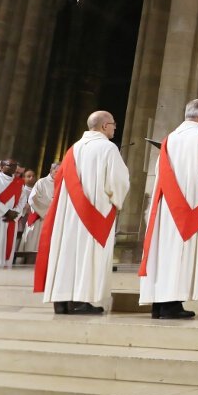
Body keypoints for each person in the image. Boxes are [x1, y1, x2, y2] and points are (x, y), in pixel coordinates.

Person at [34, 111, 130, 314]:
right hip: (94, 212)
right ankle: (81, 301)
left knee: (67, 254)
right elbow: (119, 182)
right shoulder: (108, 148)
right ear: (104, 126)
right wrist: (116, 202)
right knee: (88, 254)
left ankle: (62, 300)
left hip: (68, 214)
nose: (115, 127)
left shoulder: (73, 149)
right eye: (113, 124)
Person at [138, 99, 198, 320]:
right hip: (189, 205)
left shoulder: (169, 140)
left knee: (164, 251)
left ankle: (159, 304)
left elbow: (159, 170)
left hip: (166, 204)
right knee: (179, 252)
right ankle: (171, 305)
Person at [0, 158, 23, 267]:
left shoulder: (19, 182)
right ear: (2, 166)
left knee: (6, 246)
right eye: (10, 165)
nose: (13, 167)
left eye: (15, 165)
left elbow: (22, 200)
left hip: (10, 220)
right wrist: (6, 212)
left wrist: (15, 213)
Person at [19, 163, 59, 254]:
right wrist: (50, 210)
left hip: (55, 219)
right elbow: (33, 199)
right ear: (51, 170)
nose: (59, 173)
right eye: (56, 171)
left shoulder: (63, 183)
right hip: (40, 218)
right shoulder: (42, 182)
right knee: (33, 244)